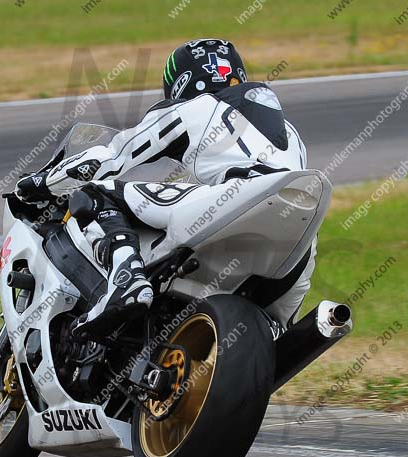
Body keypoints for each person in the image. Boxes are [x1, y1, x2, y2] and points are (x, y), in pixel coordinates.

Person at [16, 38, 316, 335]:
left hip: (237, 198)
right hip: (299, 237)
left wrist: (42, 181)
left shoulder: (195, 107)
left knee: (98, 190)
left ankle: (127, 281)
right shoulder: (290, 132)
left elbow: (110, 157)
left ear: (181, 81)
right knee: (276, 333)